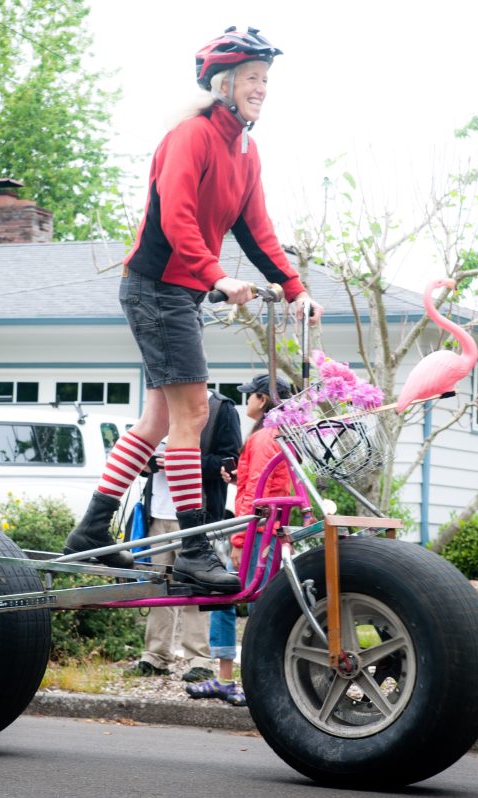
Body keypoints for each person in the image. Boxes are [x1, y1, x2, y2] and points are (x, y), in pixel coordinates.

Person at [63, 25, 323, 594]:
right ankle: (193, 548)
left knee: (158, 420)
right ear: (224, 83)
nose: (262, 89)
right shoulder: (191, 136)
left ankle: (87, 535)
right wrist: (218, 277)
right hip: (157, 285)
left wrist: (296, 288)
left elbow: (258, 230)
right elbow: (177, 218)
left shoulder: (244, 149)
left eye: (266, 80)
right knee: (192, 417)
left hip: (177, 292)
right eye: (253, 79)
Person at [186, 373, 293, 705]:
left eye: (250, 396)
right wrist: (235, 478)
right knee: (258, 603)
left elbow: (256, 495)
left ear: (262, 400)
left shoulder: (262, 439)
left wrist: (237, 542)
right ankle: (256, 679)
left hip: (257, 532)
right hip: (271, 530)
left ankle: (230, 679)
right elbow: (264, 485)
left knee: (228, 596)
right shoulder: (282, 434)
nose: (246, 401)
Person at [130, 389, 242, 680]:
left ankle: (198, 661)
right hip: (157, 514)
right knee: (157, 587)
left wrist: (183, 461)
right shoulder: (159, 403)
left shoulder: (220, 408)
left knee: (198, 587)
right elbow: (142, 457)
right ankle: (155, 656)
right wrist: (151, 463)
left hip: (198, 518)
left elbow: (231, 462)